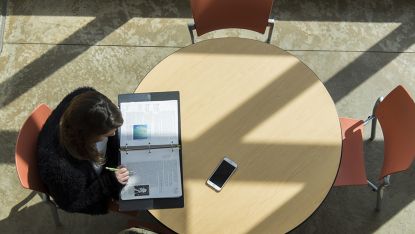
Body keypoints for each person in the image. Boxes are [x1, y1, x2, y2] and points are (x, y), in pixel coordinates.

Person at [37, 87, 129, 215]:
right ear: (87, 136)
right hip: (99, 183)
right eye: (106, 135)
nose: (114, 134)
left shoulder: (84, 96)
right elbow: (72, 204)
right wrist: (109, 182)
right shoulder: (62, 169)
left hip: (107, 166)